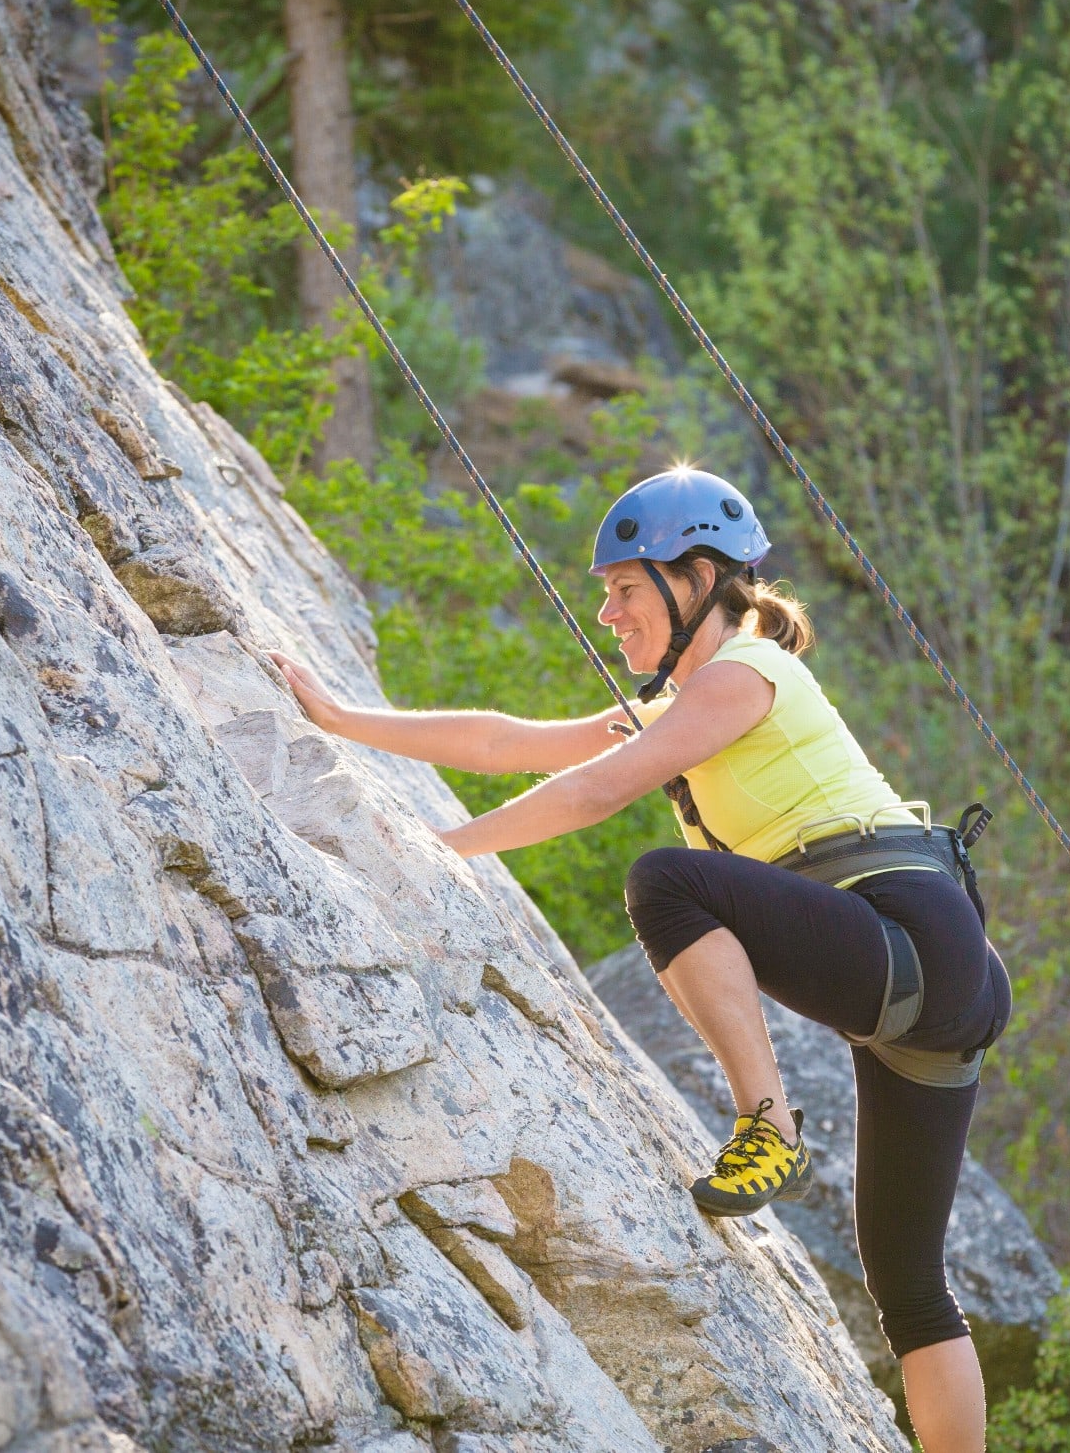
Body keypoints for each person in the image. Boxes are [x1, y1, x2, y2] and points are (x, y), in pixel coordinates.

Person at [268, 467, 1010, 1452]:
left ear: (697, 577)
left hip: (907, 939)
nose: (608, 612)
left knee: (668, 881)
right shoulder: (690, 704)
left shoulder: (744, 675)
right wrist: (341, 718)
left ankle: (768, 1126)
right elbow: (514, 742)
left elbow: (590, 795)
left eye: (624, 587)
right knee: (909, 1286)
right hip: (932, 978)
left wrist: (433, 855)